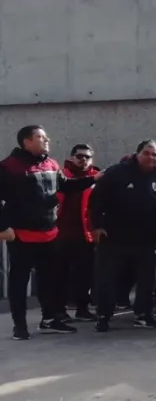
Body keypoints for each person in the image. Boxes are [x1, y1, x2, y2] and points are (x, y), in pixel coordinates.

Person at [0, 126, 99, 339]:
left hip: (49, 234)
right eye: (41, 137)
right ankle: (20, 325)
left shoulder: (51, 164)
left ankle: (49, 319)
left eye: (46, 137)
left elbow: (67, 186)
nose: (46, 140)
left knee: (51, 280)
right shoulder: (8, 166)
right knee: (19, 282)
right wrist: (2, 226)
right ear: (26, 142)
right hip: (21, 235)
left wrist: (94, 179)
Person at [89, 140, 156, 333]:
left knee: (147, 278)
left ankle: (143, 315)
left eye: (155, 154)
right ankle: (103, 316)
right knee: (109, 278)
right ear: (137, 154)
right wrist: (96, 226)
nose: (151, 157)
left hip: (146, 237)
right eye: (147, 153)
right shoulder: (117, 173)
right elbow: (96, 200)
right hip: (114, 236)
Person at [55, 143, 101, 323]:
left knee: (85, 275)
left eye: (86, 157)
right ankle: (59, 311)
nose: (83, 160)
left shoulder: (96, 179)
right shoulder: (61, 175)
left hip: (85, 235)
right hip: (59, 234)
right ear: (72, 157)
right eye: (79, 156)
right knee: (59, 275)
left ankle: (83, 309)